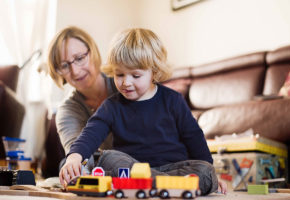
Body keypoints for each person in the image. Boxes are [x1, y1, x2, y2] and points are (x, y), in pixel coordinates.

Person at [58, 28, 227, 195]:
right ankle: (169, 187)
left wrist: (212, 174)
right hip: (133, 169)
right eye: (119, 74)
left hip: (173, 168)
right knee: (106, 158)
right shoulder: (111, 106)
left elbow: (194, 138)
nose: (126, 83)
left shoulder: (173, 100)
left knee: (205, 170)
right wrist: (75, 156)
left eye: (135, 76)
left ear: (154, 72)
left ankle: (157, 185)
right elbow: (91, 133)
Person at [48, 26, 117, 171]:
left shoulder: (125, 84)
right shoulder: (68, 111)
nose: (75, 71)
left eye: (79, 58)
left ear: (93, 52)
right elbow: (78, 155)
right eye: (64, 65)